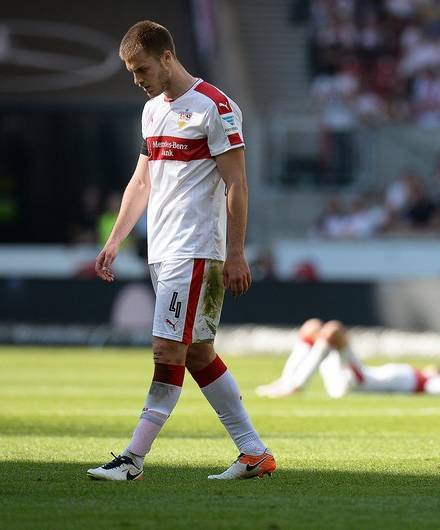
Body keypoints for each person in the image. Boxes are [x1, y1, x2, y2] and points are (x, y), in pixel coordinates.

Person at [87, 21, 275, 481]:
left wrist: (235, 253)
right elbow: (142, 182)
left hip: (196, 250)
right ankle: (254, 452)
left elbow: (237, 183)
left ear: (167, 56)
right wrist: (115, 239)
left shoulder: (216, 107)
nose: (138, 80)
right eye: (132, 72)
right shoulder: (153, 111)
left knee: (167, 351)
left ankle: (132, 460)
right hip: (162, 251)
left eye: (142, 69)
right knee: (198, 354)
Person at [255, 318, 440, 398]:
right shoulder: (422, 375)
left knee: (334, 329)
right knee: (312, 326)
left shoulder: (433, 384)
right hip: (349, 377)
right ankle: (287, 381)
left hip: (356, 382)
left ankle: (296, 385)